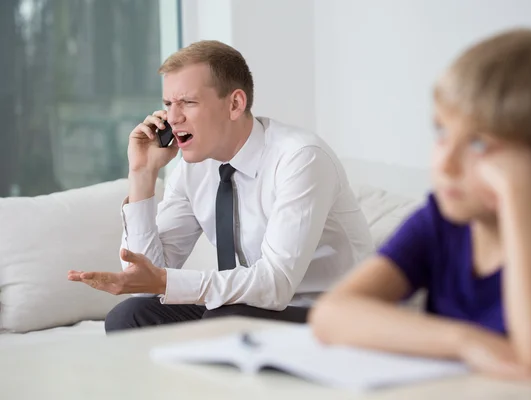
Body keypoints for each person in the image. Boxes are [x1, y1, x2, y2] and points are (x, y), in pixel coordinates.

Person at [309, 28, 531, 382]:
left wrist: (519, 196)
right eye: (442, 132)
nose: (445, 163)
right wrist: (466, 342)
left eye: (479, 144)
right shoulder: (438, 225)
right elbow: (331, 314)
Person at [67, 40, 374, 332]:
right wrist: (142, 173)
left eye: (187, 102)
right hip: (253, 307)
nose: (172, 118)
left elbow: (276, 284)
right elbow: (144, 278)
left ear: (235, 104)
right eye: (168, 104)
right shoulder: (193, 169)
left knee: (228, 316)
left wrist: (166, 283)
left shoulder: (301, 158)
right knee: (130, 316)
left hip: (330, 311)